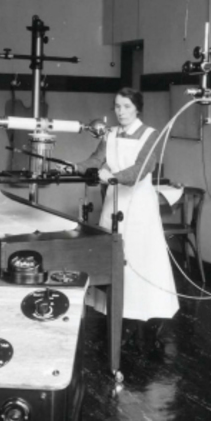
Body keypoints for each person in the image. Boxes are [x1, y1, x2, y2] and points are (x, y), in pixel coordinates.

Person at [78, 88, 179, 336]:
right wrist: (73, 167)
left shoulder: (151, 135)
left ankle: (143, 315)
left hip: (139, 207)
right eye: (117, 106)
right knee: (112, 257)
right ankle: (114, 313)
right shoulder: (110, 133)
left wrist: (112, 177)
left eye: (126, 106)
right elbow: (95, 160)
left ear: (137, 109)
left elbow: (141, 169)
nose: (120, 112)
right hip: (113, 202)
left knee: (139, 258)